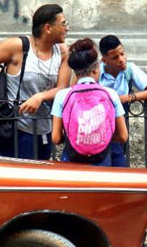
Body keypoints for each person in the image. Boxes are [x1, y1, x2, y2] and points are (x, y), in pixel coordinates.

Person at [0, 4, 71, 159]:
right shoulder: (19, 46)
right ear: (48, 28)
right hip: (16, 129)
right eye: (64, 24)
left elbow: (63, 87)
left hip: (45, 129)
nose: (67, 28)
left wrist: (40, 97)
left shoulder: (63, 52)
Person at [50, 38, 128, 167]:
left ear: (75, 72)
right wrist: (99, 138)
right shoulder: (110, 94)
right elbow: (123, 136)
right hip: (102, 160)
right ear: (96, 70)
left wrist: (77, 139)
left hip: (72, 158)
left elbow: (56, 138)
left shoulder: (62, 96)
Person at [98, 35, 147, 167]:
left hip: (119, 127)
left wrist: (128, 97)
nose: (121, 60)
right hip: (99, 126)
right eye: (115, 57)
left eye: (122, 54)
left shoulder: (129, 69)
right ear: (104, 60)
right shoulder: (97, 72)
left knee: (118, 163)